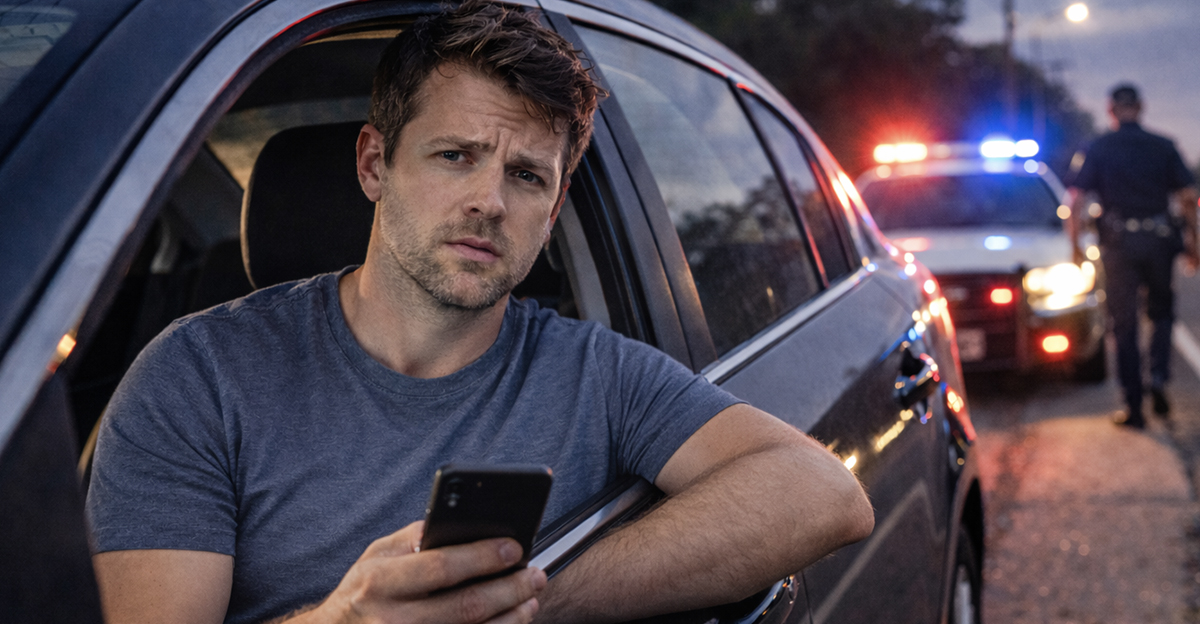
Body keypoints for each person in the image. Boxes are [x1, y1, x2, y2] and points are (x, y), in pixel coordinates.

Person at [85, 2, 874, 623]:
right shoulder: (197, 377)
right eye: (455, 155)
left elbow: (825, 494)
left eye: (527, 176)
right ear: (374, 165)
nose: (489, 202)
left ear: (556, 203)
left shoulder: (594, 372)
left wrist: (526, 598)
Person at [1069, 83, 1200, 429]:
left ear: (1110, 110)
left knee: (1123, 324)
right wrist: (1194, 245)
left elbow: (1076, 201)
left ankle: (1134, 404)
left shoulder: (1097, 148)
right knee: (1162, 314)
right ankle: (1157, 374)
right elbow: (1188, 196)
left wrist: (1074, 250)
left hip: (1119, 244)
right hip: (1159, 240)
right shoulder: (1164, 146)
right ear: (1140, 107)